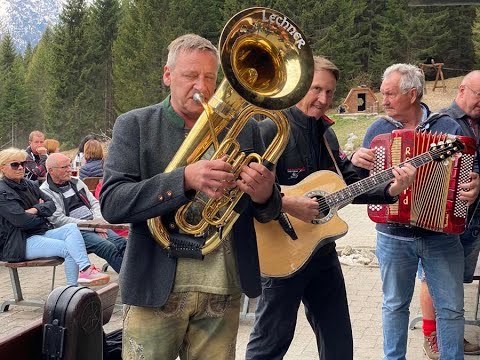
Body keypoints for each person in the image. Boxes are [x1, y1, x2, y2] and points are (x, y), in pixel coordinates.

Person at [99, 33, 282, 360]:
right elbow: (113, 202)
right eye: (190, 75)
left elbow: (267, 212)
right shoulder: (135, 125)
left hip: (222, 290)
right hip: (155, 287)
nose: (202, 86)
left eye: (210, 77)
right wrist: (183, 179)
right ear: (168, 76)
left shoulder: (245, 129)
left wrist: (265, 193)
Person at [245, 57, 416, 360]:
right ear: (299, 87)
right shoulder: (269, 130)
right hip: (280, 254)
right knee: (269, 346)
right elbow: (246, 190)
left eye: (329, 92)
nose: (323, 99)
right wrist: (288, 203)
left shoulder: (327, 134)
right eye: (316, 89)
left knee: (338, 344)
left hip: (322, 253)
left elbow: (344, 188)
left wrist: (392, 189)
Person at [351, 63, 480, 360]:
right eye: (383, 94)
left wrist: (475, 184)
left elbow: (471, 169)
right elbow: (361, 185)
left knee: (450, 307)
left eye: (389, 94)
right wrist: (356, 159)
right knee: (394, 305)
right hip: (392, 235)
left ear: (412, 94)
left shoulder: (447, 126)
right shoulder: (378, 129)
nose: (383, 101)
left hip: (441, 236)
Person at [418, 70, 480, 358]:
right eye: (479, 95)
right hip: (443, 220)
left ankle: (451, 336)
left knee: (456, 285)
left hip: (473, 220)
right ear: (462, 90)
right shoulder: (442, 122)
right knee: (433, 281)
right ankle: (432, 336)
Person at [0, 147, 110, 286]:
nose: (21, 168)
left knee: (71, 228)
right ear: (2, 168)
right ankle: (73, 288)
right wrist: (41, 212)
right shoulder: (2, 192)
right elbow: (22, 221)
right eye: (15, 164)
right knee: (68, 248)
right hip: (19, 242)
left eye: (23, 164)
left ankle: (85, 271)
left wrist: (34, 209)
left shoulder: (29, 184)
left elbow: (51, 206)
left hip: (39, 232)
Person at [40, 153, 126, 274]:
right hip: (74, 231)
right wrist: (92, 227)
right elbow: (59, 220)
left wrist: (98, 222)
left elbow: (94, 203)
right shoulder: (45, 191)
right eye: (64, 167)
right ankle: (133, 284)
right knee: (107, 247)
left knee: (122, 243)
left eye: (69, 166)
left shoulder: (76, 182)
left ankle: (142, 278)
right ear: (51, 170)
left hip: (96, 225)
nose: (70, 170)